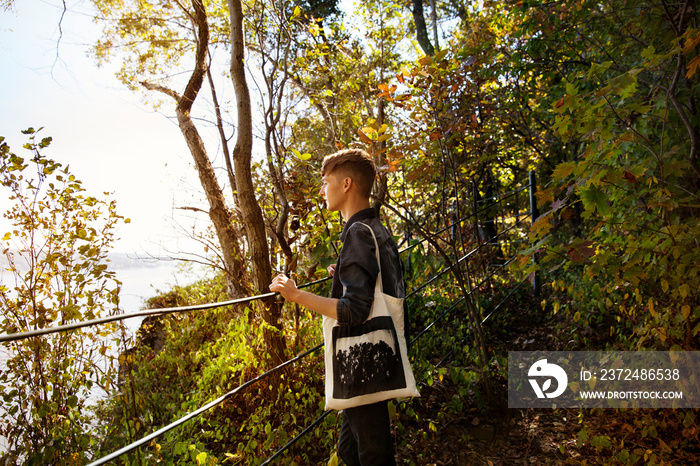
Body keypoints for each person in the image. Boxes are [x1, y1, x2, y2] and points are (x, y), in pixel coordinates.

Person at [269, 148, 406, 466]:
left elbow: (356, 311)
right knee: (349, 451)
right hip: (377, 355)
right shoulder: (373, 228)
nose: (321, 190)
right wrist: (346, 270)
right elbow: (384, 280)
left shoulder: (358, 235)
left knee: (374, 454)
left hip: (362, 361)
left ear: (346, 184)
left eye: (325, 182)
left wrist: (296, 295)